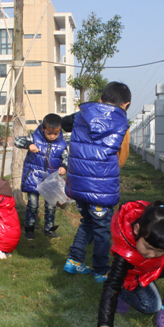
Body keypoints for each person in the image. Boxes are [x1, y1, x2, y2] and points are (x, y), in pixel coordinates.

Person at [62, 82, 131, 283]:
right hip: (101, 188)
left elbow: (64, 123)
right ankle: (101, 270)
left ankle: (74, 260)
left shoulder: (80, 116)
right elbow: (122, 157)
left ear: (100, 99)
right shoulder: (122, 125)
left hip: (77, 184)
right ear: (125, 104)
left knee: (89, 222)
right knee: (102, 229)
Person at [14, 113, 68, 240]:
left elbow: (66, 158)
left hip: (51, 180)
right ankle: (29, 229)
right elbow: (17, 141)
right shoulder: (34, 138)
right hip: (33, 178)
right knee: (32, 204)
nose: (52, 136)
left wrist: (64, 167)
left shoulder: (63, 144)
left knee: (50, 205)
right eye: (49, 133)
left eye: (55, 133)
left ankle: (49, 229)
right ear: (43, 128)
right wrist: (28, 145)